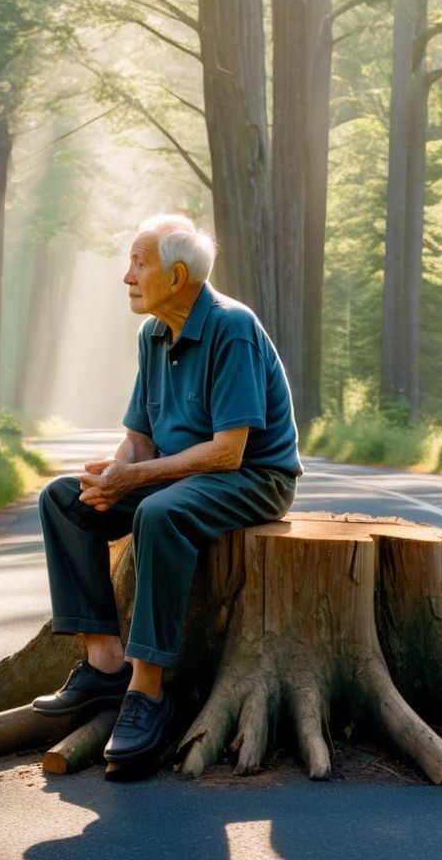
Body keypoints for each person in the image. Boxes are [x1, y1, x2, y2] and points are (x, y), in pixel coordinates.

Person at [31, 214, 302, 767]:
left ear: (177, 277)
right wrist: (115, 476)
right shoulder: (152, 332)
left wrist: (137, 477)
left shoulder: (232, 327)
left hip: (253, 478)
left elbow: (229, 451)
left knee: (157, 513)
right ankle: (107, 667)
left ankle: (147, 691)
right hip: (181, 476)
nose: (126, 277)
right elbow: (139, 437)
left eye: (138, 263)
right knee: (64, 499)